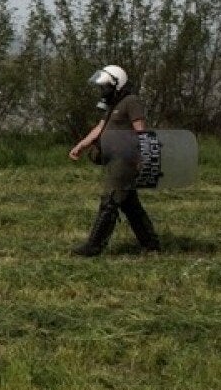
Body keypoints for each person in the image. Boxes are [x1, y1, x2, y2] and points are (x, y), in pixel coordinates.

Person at [67, 64, 160, 256]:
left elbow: (141, 130)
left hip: (126, 159)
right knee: (129, 203)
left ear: (117, 84)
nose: (102, 90)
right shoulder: (112, 105)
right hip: (113, 159)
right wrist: (81, 146)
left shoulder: (131, 101)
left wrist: (146, 158)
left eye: (105, 86)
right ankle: (151, 245)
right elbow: (99, 128)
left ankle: (93, 247)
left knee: (110, 200)